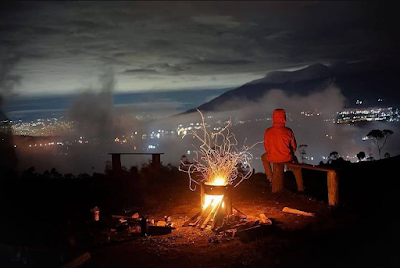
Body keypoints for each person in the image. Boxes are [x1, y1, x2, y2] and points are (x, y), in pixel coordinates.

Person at [261, 108, 304, 191]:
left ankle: (270, 177)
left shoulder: (268, 131)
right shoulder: (288, 131)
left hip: (272, 157)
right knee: (297, 168)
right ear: (284, 118)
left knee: (263, 157)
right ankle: (300, 188)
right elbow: (294, 147)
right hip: (287, 158)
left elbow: (266, 148)